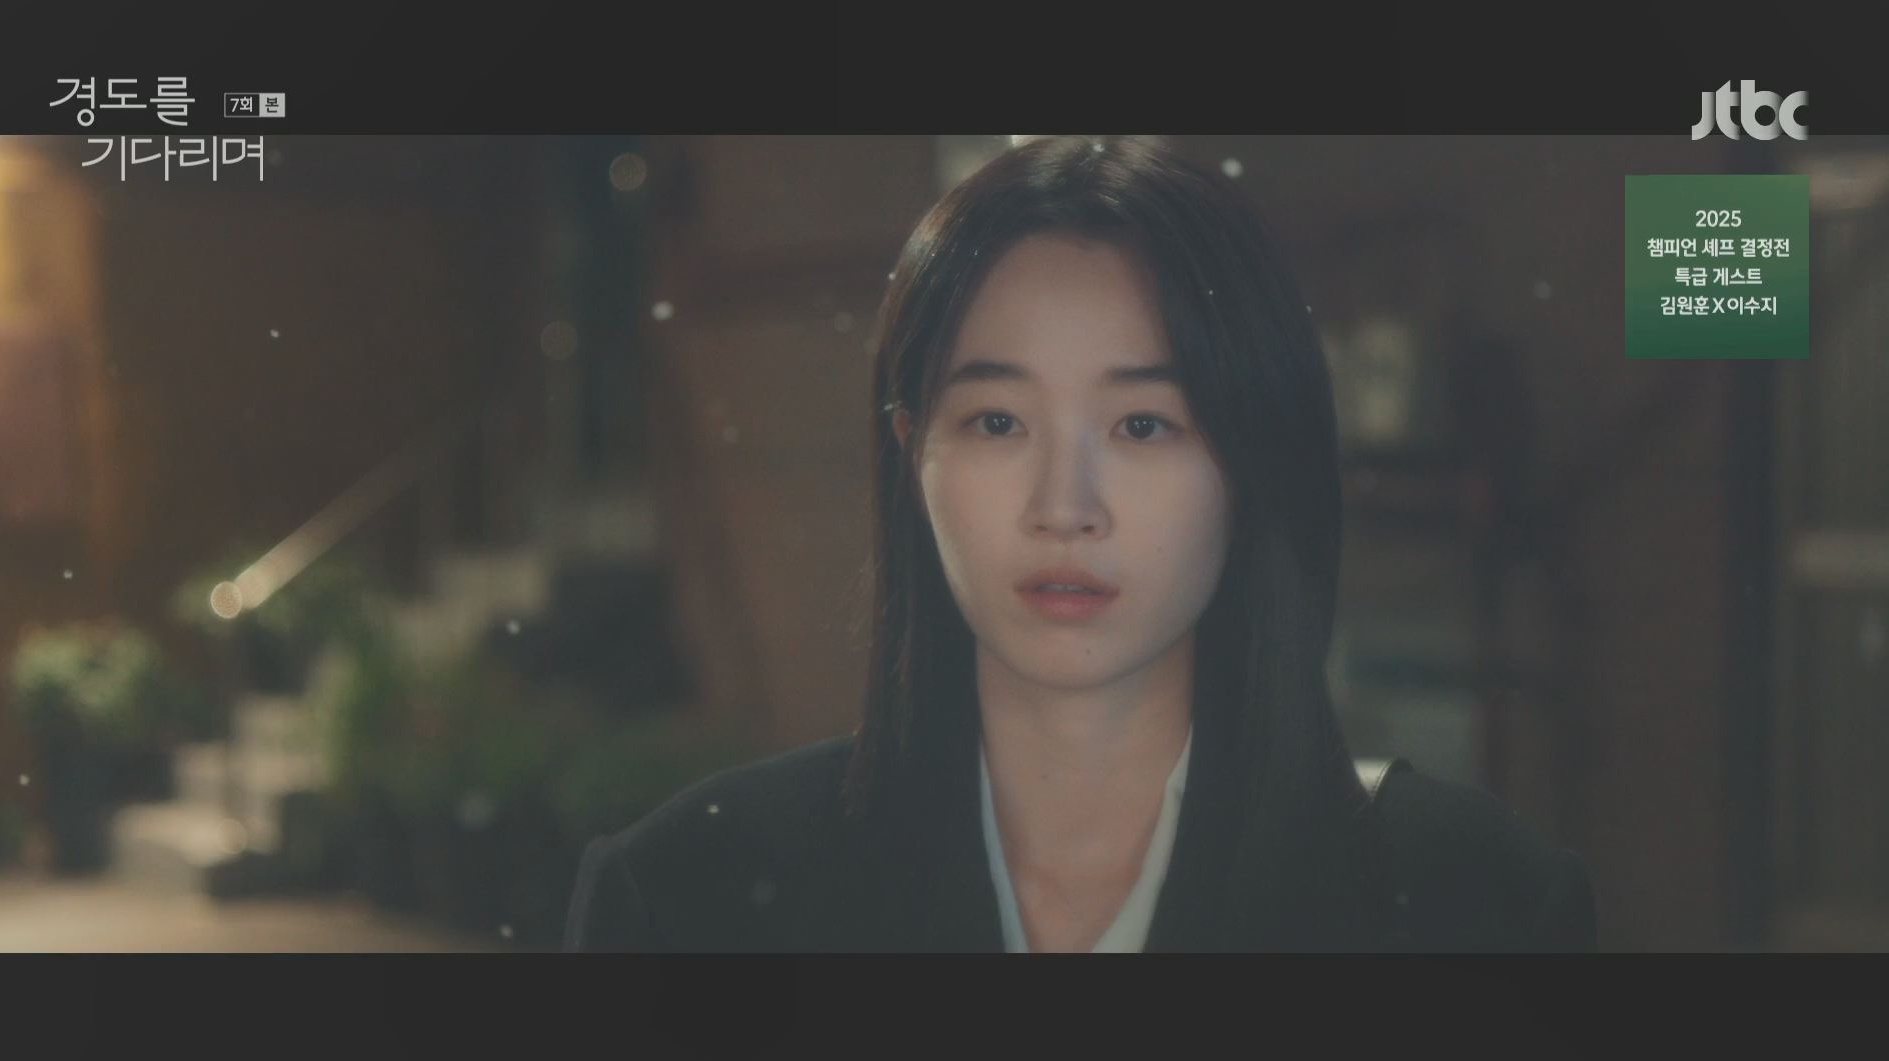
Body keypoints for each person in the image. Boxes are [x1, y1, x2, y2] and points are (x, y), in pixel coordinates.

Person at [564, 135, 1597, 952]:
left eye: (1143, 425)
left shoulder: (1472, 907)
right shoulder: (690, 903)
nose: (1065, 506)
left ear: (1253, 461)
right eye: (997, 422)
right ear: (911, 451)